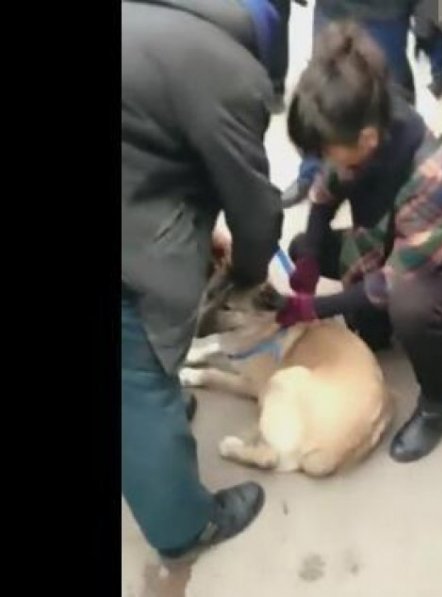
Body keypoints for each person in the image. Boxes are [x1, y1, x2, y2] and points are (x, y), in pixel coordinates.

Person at [276, 22, 442, 463]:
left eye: (326, 152)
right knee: (301, 246)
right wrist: (310, 256)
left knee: (408, 304)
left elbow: (391, 282)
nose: (325, 160)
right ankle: (381, 329)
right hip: (397, 247)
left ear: (367, 140)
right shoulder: (356, 123)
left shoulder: (436, 174)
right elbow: (324, 196)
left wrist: (316, 308)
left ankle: (439, 400)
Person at [122, 0, 283, 561]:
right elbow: (255, 210)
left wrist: (197, 227)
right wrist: (247, 273)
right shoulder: (236, 74)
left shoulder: (146, 20)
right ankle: (184, 526)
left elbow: (147, 143)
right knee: (138, 369)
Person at [281, 0, 418, 208]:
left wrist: (438, 10)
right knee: (322, 106)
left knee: (384, 110)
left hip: (387, 13)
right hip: (332, 7)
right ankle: (311, 176)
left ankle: (384, 194)